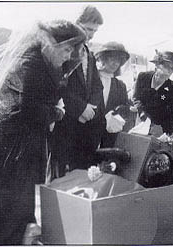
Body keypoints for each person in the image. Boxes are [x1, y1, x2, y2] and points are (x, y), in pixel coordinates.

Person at [0, 20, 86, 245]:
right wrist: (57, 113)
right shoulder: (31, 63)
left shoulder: (41, 60)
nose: (67, 56)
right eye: (65, 50)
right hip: (10, 141)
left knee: (15, 198)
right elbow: (29, 109)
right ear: (50, 43)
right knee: (6, 197)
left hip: (17, 138)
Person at [51, 6, 105, 178]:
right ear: (77, 24)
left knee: (83, 177)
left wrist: (91, 109)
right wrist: (81, 108)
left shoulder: (89, 53)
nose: (91, 35)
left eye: (95, 31)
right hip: (66, 125)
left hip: (86, 127)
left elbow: (97, 86)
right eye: (88, 29)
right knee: (63, 177)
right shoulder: (65, 50)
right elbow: (58, 85)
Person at [133, 50, 173, 144]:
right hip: (142, 125)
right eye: (167, 67)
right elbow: (136, 98)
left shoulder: (172, 89)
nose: (169, 72)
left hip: (163, 131)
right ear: (157, 65)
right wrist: (144, 117)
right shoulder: (143, 77)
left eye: (172, 69)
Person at [94, 41, 130, 148]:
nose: (115, 63)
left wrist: (117, 113)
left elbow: (125, 108)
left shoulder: (120, 85)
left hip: (109, 134)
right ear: (103, 58)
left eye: (118, 61)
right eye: (112, 59)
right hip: (87, 132)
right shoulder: (92, 79)